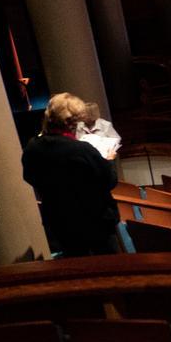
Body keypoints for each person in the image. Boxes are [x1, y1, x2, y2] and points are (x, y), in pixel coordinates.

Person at [22, 93, 120, 257]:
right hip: (95, 220)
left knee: (76, 266)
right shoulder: (82, 150)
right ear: (70, 123)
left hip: (59, 220)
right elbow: (110, 180)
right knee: (107, 267)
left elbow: (29, 176)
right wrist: (108, 160)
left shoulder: (33, 147)